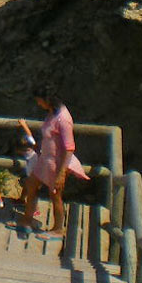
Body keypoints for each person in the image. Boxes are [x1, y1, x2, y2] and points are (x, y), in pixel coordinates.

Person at [13, 88, 89, 240]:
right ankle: (27, 220)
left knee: (55, 196)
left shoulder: (63, 119)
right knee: (31, 185)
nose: (38, 103)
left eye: (39, 100)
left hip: (56, 163)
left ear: (47, 100)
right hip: (45, 160)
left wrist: (61, 173)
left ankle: (58, 229)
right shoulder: (52, 113)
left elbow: (69, 147)